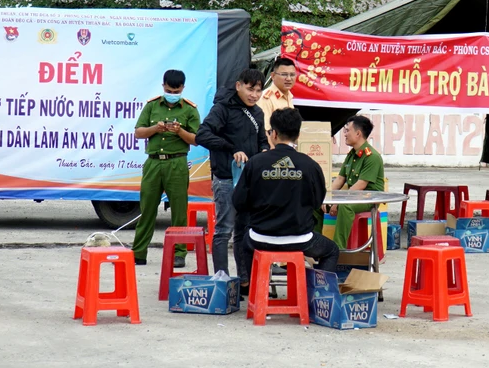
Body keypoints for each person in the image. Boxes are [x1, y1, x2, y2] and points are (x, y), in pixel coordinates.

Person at [233, 108, 340, 285]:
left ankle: (255, 289)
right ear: (298, 135)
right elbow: (317, 202)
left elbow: (238, 201)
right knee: (332, 250)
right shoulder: (310, 165)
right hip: (300, 239)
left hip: (260, 237)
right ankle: (319, 294)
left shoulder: (255, 163)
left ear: (274, 134)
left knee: (244, 242)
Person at [195, 68, 269, 284]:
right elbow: (202, 134)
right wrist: (231, 148)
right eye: (250, 89)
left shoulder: (258, 113)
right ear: (238, 86)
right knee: (223, 230)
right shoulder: (222, 108)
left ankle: (244, 281)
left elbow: (262, 140)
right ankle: (222, 280)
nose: (254, 95)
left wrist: (264, 151)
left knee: (244, 231)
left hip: (249, 181)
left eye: (258, 90)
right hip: (226, 179)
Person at [133, 70, 200, 267]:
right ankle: (138, 252)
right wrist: (156, 128)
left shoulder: (190, 110)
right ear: (163, 86)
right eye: (169, 90)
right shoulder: (152, 106)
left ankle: (179, 253)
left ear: (183, 88)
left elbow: (196, 139)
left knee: (179, 211)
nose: (172, 94)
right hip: (153, 162)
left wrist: (179, 131)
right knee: (147, 209)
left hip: (177, 163)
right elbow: (138, 132)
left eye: (176, 91)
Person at [325, 115, 385, 248]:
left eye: (347, 131)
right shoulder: (351, 154)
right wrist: (326, 198)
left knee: (345, 206)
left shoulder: (372, 157)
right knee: (316, 205)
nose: (344, 134)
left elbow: (361, 185)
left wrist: (338, 202)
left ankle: (338, 249)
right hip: (352, 197)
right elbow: (340, 179)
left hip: (369, 198)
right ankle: (313, 248)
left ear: (358, 133)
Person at [257, 57, 296, 132]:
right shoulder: (266, 99)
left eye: (292, 75)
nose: (288, 78)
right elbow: (265, 131)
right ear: (273, 76)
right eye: (284, 74)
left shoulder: (289, 95)